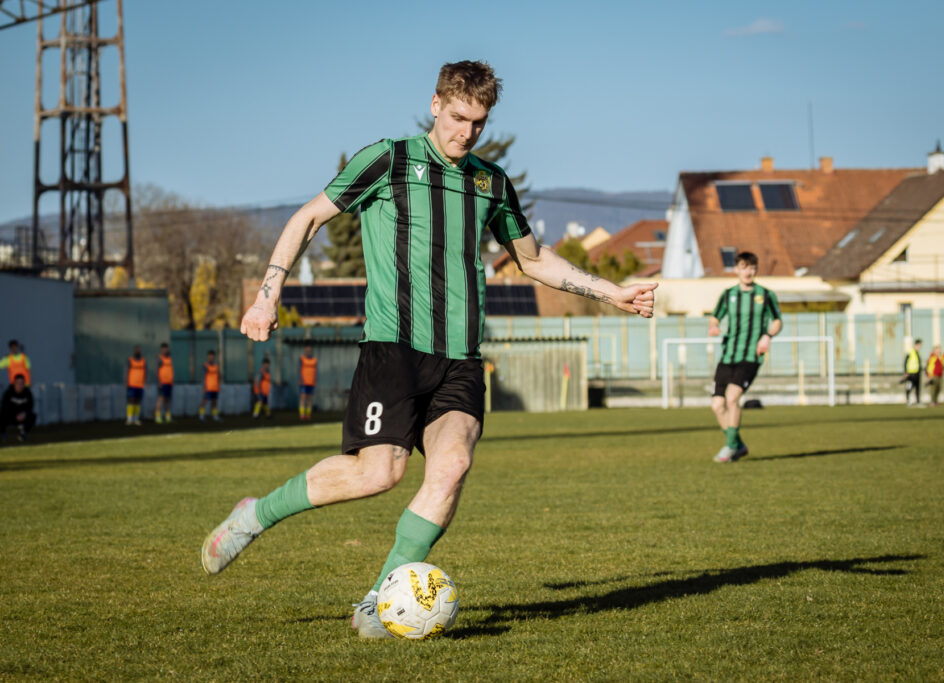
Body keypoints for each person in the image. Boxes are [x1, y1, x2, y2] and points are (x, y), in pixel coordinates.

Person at [199, 60, 657, 639]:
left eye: (479, 123)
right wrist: (268, 296)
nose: (467, 132)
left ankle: (377, 603)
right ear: (436, 104)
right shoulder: (388, 160)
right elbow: (309, 218)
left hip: (461, 359)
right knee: (378, 474)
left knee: (453, 465)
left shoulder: (491, 183)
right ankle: (255, 514)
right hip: (393, 350)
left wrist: (613, 293)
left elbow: (533, 258)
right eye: (459, 117)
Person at [707, 251, 782, 463]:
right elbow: (714, 317)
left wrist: (767, 336)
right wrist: (713, 326)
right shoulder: (728, 295)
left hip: (750, 356)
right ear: (736, 270)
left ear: (756, 270)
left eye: (752, 268)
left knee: (732, 397)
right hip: (728, 355)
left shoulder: (765, 295)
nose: (748, 272)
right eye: (744, 267)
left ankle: (731, 446)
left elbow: (777, 321)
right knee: (717, 405)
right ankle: (737, 445)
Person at [0, 374, 35, 442]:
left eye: (22, 383)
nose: (20, 385)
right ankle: (3, 434)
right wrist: (13, 414)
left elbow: (30, 406)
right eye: (18, 383)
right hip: (10, 416)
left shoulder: (27, 393)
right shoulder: (8, 392)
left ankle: (23, 434)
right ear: (14, 383)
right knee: (2, 416)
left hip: (22, 416)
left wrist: (24, 413)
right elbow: (4, 407)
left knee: (32, 416)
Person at [199, 350, 222, 421]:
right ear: (208, 357)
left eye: (212, 356)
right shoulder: (205, 365)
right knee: (204, 401)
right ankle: (201, 415)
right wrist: (204, 386)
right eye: (210, 356)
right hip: (208, 388)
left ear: (214, 357)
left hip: (215, 387)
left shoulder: (216, 366)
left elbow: (219, 376)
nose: (211, 357)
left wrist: (219, 385)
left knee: (214, 402)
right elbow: (203, 377)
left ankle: (215, 416)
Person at [125, 345, 146, 426]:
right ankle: (129, 419)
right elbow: (126, 371)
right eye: (136, 350)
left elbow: (146, 371)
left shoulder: (143, 360)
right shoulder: (130, 360)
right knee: (131, 400)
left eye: (139, 350)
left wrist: (146, 381)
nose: (138, 351)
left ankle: (136, 418)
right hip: (132, 384)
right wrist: (126, 382)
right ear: (134, 351)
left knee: (138, 401)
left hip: (140, 384)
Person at [154, 343, 174, 424]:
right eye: (163, 348)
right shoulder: (159, 358)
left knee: (168, 400)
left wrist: (172, 380)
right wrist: (158, 381)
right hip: (162, 383)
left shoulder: (170, 358)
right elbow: (156, 371)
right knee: (160, 399)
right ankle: (157, 417)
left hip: (169, 382)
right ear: (161, 349)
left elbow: (171, 370)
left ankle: (167, 417)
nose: (165, 350)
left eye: (166, 348)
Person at [298, 344, 317, 421]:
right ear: (305, 350)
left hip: (311, 382)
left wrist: (315, 380)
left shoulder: (314, 360)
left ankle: (308, 415)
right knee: (302, 398)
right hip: (304, 382)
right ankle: (302, 415)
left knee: (309, 398)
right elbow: (299, 369)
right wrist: (300, 378)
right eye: (307, 349)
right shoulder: (302, 359)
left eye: (309, 349)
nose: (308, 351)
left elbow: (316, 371)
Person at [903, 338, 923, 406]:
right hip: (911, 373)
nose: (920, 346)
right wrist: (906, 371)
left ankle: (918, 401)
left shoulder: (918, 352)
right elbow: (905, 362)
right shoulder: (911, 351)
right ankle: (908, 400)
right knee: (909, 387)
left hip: (917, 373)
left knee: (917, 388)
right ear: (917, 344)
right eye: (920, 344)